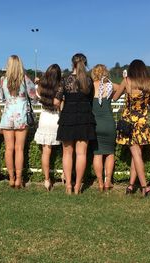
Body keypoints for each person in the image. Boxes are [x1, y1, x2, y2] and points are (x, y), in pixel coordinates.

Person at [54, 53, 96, 195]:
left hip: (68, 117)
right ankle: (78, 186)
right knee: (81, 154)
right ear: (85, 63)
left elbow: (56, 101)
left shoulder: (65, 80)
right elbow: (91, 100)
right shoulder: (89, 81)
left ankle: (68, 186)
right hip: (85, 117)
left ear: (72, 64)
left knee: (67, 153)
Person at [113, 59, 150, 197]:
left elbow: (114, 98)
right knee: (136, 155)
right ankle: (131, 186)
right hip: (142, 123)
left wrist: (116, 87)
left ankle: (144, 186)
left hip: (129, 123)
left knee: (135, 154)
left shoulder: (127, 81)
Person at [0, 55, 36, 188]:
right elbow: (34, 96)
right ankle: (19, 179)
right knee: (19, 149)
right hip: (21, 115)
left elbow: (2, 97)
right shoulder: (25, 79)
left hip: (8, 115)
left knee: (9, 149)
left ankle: (11, 178)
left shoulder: (3, 80)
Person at [91, 64, 119, 191]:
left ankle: (100, 182)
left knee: (97, 154)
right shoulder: (110, 85)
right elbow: (123, 89)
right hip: (109, 123)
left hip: (95, 124)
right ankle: (108, 181)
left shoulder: (90, 86)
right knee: (110, 153)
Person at [34, 64, 61, 191]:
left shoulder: (40, 87)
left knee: (46, 152)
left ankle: (46, 180)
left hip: (44, 118)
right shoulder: (60, 88)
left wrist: (39, 81)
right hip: (56, 119)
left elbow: (36, 96)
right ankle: (65, 174)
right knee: (65, 150)